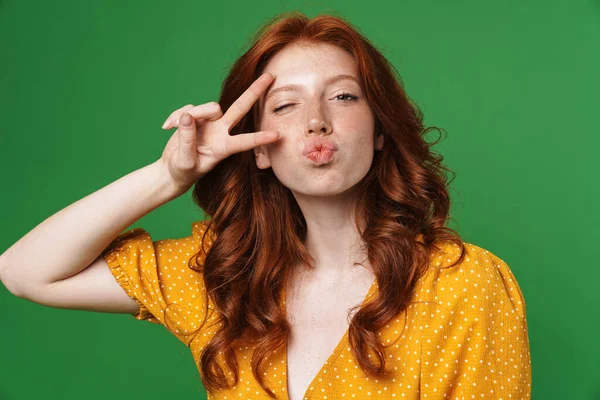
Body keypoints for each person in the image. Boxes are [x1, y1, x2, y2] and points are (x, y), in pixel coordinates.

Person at [0, 11, 531, 400]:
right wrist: (168, 177)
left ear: (379, 133)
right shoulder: (222, 277)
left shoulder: (465, 285)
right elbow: (25, 272)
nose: (315, 120)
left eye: (344, 96)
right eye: (285, 104)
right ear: (255, 146)